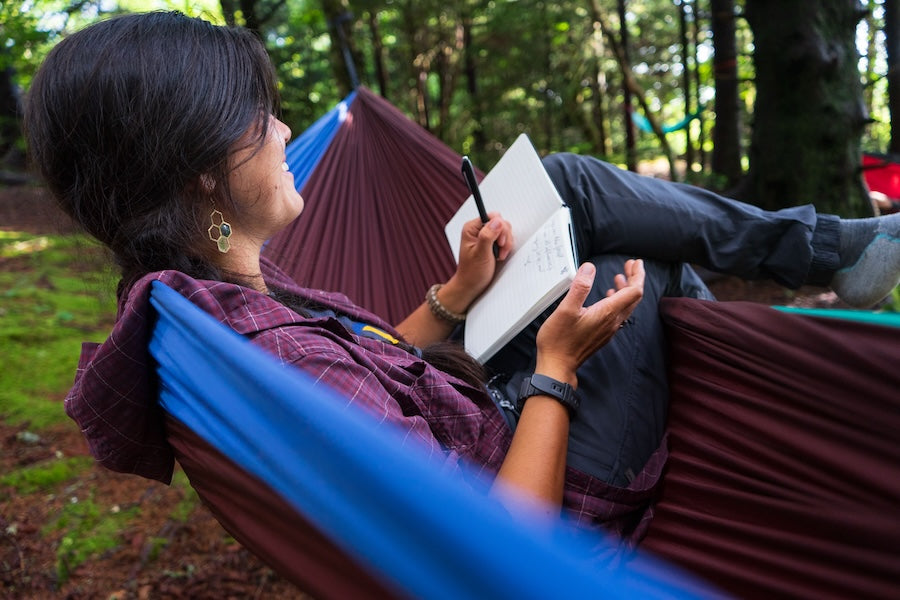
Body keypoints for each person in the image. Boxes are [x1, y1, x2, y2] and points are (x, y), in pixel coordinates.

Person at [25, 12, 900, 545]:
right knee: (639, 267)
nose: (286, 127)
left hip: (488, 419)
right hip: (558, 503)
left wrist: (457, 292)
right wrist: (556, 367)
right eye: (258, 120)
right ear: (199, 174)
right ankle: (817, 286)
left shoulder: (211, 305)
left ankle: (830, 257)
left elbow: (367, 380)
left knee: (574, 189)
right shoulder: (268, 346)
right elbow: (498, 544)